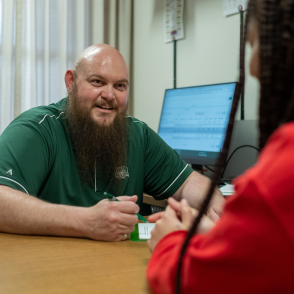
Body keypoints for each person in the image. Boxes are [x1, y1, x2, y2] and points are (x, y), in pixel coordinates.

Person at [0, 44, 224, 242]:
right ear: (71, 82)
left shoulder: (138, 134)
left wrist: (216, 209)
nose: (109, 94)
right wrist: (86, 221)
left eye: (120, 86)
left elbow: (189, 183)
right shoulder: (38, 128)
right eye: (97, 82)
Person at [146, 0, 294, 293]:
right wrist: (221, 234)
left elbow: (196, 281)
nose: (251, 67)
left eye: (254, 46)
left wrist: (169, 242)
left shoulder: (284, 167)